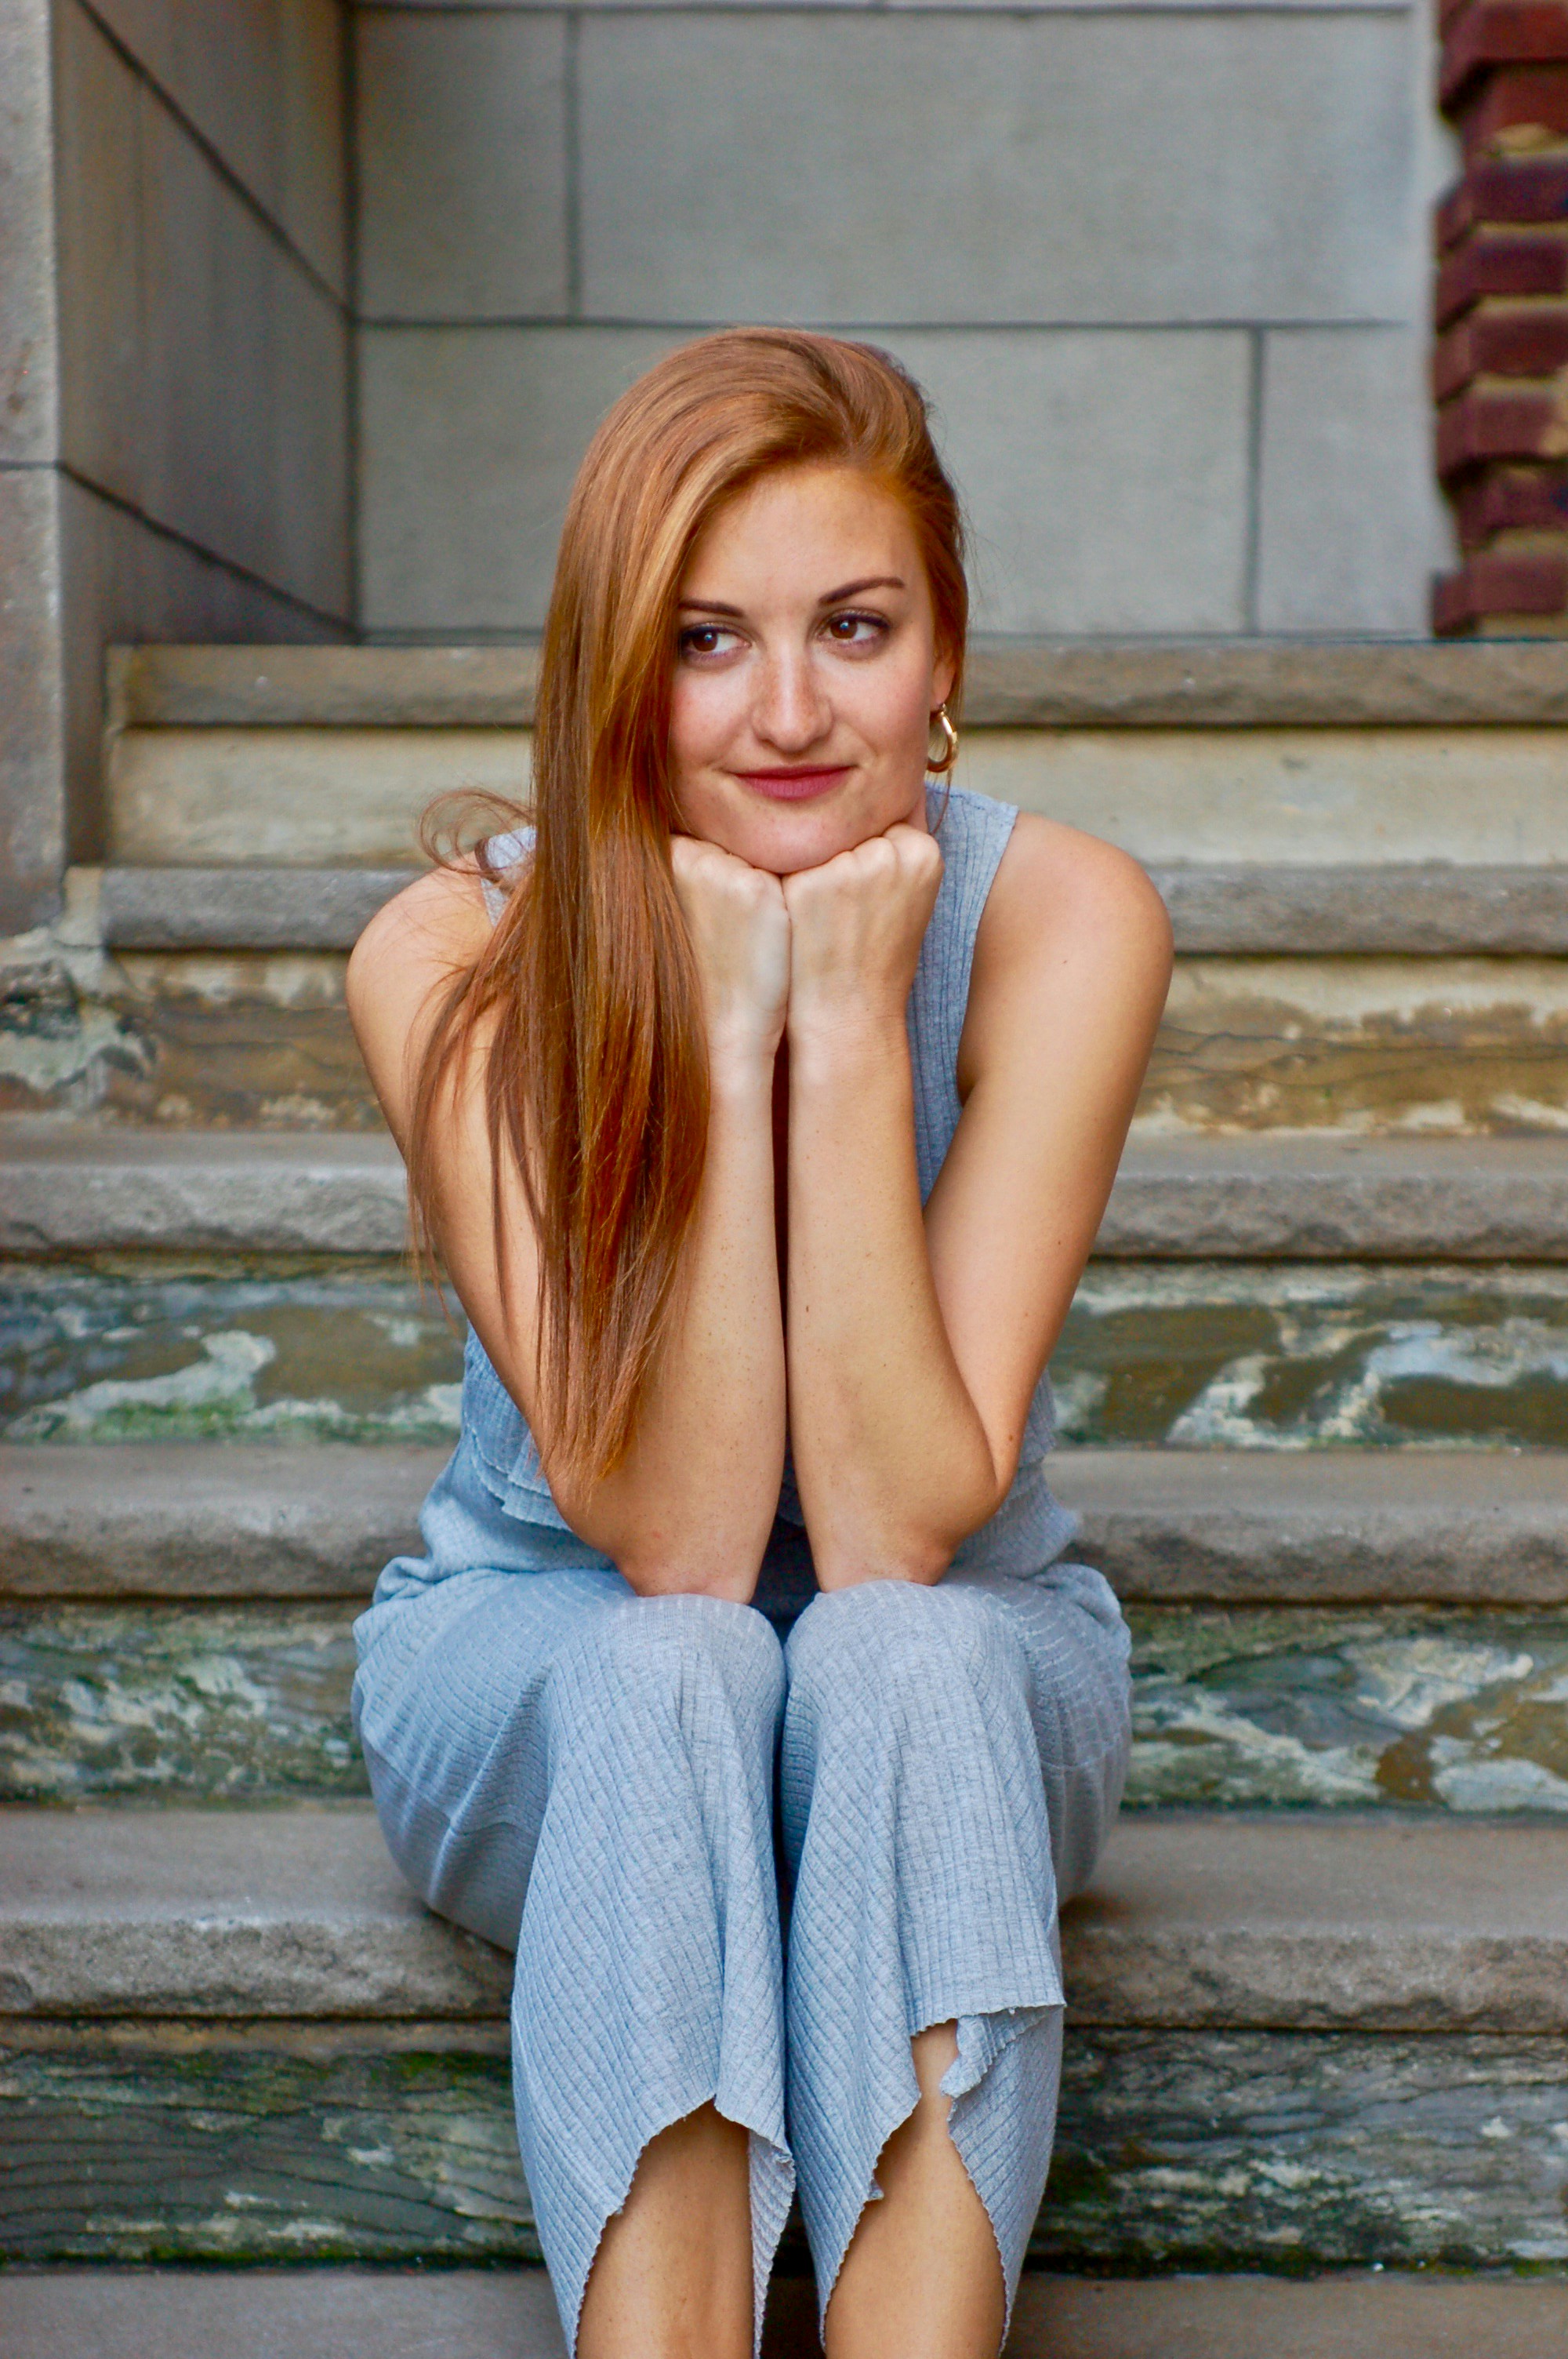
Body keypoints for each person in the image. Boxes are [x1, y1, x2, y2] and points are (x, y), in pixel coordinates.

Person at [345, 329, 1172, 2359]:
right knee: (678, 1670)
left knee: (889, 1647)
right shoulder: (451, 953)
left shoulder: (1064, 918)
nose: (790, 711)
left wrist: (853, 1010)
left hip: (964, 1672)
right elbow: (689, 1542)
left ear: (944, 648)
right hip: (548, 1645)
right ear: (619, 668)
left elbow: (891, 1527)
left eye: (855, 628)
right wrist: (727, 1016)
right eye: (708, 641)